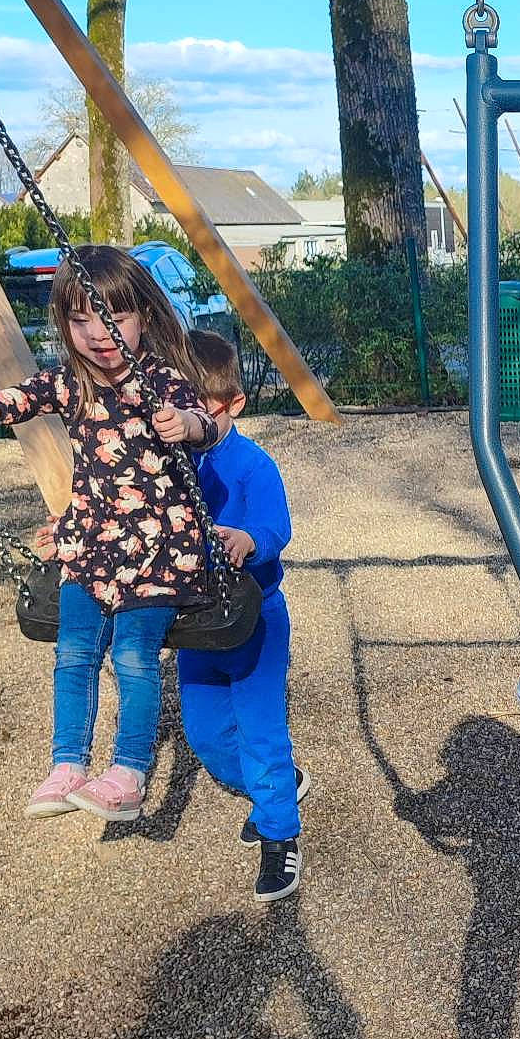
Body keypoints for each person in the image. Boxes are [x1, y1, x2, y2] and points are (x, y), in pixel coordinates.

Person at [0, 246, 217, 824]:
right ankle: (67, 764)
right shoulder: (68, 382)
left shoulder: (159, 379)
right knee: (74, 655)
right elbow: (4, 405)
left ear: (142, 318)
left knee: (132, 657)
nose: (98, 333)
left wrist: (187, 425)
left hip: (158, 553)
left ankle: (127, 772)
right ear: (64, 323)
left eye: (114, 318)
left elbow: (201, 423)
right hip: (91, 548)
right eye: (81, 319)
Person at [174, 330, 306, 904]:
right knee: (205, 735)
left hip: (253, 616)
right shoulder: (170, 465)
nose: (186, 420)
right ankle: (278, 786)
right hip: (195, 621)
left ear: (234, 405)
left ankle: (280, 833)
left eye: (199, 408)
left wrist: (249, 538)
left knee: (261, 732)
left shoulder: (253, 466)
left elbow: (278, 526)